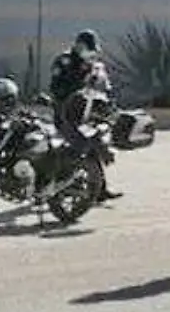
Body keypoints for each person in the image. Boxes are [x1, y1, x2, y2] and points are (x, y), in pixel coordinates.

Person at [49, 29, 122, 202]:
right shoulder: (64, 61)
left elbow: (104, 89)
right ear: (78, 46)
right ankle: (61, 184)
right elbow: (56, 89)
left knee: (96, 144)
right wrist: (81, 77)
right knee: (81, 146)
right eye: (86, 48)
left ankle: (99, 189)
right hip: (66, 116)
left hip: (85, 116)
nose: (89, 53)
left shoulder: (94, 66)